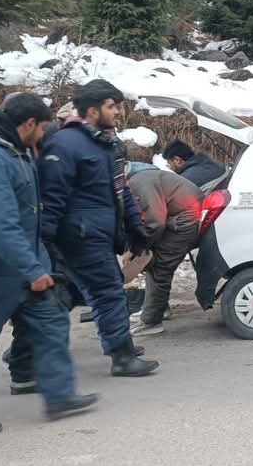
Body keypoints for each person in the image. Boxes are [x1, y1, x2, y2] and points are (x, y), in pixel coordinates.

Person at [0, 94, 98, 436]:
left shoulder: (17, 153)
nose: (45, 136)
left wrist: (39, 265)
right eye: (43, 128)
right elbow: (0, 224)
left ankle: (59, 395)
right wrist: (32, 269)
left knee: (52, 322)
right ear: (28, 124)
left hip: (23, 263)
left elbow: (27, 218)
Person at [39, 79, 159, 377]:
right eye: (112, 106)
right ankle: (122, 355)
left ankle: (24, 357)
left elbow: (120, 190)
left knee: (69, 294)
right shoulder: (65, 143)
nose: (118, 112)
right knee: (107, 292)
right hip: (80, 234)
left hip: (97, 233)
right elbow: (52, 196)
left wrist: (135, 227)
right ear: (92, 111)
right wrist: (46, 239)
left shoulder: (105, 143)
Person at [127, 162, 202, 336]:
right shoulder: (139, 177)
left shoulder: (139, 181)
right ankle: (156, 309)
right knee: (154, 264)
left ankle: (151, 321)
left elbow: (155, 221)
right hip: (178, 215)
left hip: (184, 219)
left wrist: (139, 247)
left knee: (160, 266)